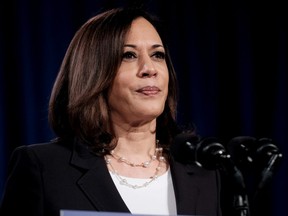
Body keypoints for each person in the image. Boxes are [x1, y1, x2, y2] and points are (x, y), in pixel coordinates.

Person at [0, 7, 222, 216]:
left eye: (158, 55)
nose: (149, 69)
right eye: (129, 55)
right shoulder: (45, 169)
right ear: (94, 72)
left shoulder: (202, 171)